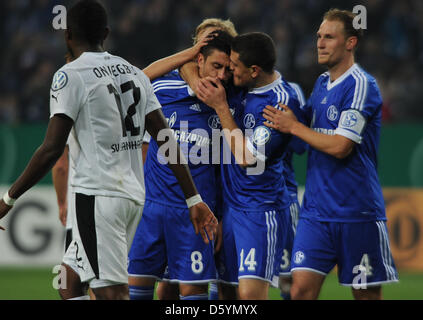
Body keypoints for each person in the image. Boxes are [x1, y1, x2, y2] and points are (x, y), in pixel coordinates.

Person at [0, 0, 217, 300]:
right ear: (106, 32)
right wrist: (193, 197)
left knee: (113, 295)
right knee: (69, 282)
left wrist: (8, 199)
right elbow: (166, 140)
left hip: (98, 197)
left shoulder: (70, 75)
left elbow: (52, 149)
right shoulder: (134, 73)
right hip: (130, 198)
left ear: (68, 36)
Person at [262, 9, 398, 300]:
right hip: (316, 214)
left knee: (366, 297)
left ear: (350, 43)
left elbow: (340, 146)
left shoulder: (362, 85)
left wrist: (295, 127)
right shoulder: (322, 83)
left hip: (356, 214)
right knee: (299, 292)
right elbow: (303, 125)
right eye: (319, 37)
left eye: (329, 37)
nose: (320, 43)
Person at [127, 30, 234, 301]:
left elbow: (227, 167)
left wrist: (220, 215)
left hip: (196, 213)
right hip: (152, 209)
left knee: (192, 293)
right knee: (135, 288)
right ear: (199, 59)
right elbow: (138, 78)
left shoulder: (229, 103)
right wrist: (188, 56)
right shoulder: (164, 90)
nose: (221, 75)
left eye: (226, 69)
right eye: (216, 66)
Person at [195, 32, 301, 300]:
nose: (228, 71)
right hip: (230, 210)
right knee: (223, 294)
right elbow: (189, 68)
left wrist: (221, 107)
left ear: (253, 71)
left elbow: (246, 157)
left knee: (251, 297)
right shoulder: (242, 86)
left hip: (259, 212)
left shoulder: (279, 104)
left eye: (233, 66)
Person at [277, 82, 307, 300]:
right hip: (233, 198)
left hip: (282, 195)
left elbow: (300, 146)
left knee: (287, 278)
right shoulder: (228, 91)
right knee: (226, 279)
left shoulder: (290, 92)